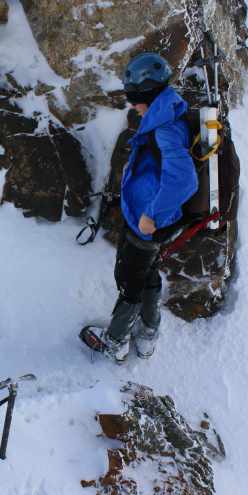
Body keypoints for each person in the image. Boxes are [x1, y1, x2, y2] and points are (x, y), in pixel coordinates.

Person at [81, 53, 198, 364]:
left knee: (129, 279)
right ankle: (147, 336)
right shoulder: (166, 113)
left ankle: (115, 341)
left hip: (152, 221)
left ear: (149, 91)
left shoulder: (166, 129)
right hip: (157, 218)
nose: (132, 103)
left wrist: (151, 216)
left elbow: (184, 180)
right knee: (147, 272)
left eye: (135, 96)